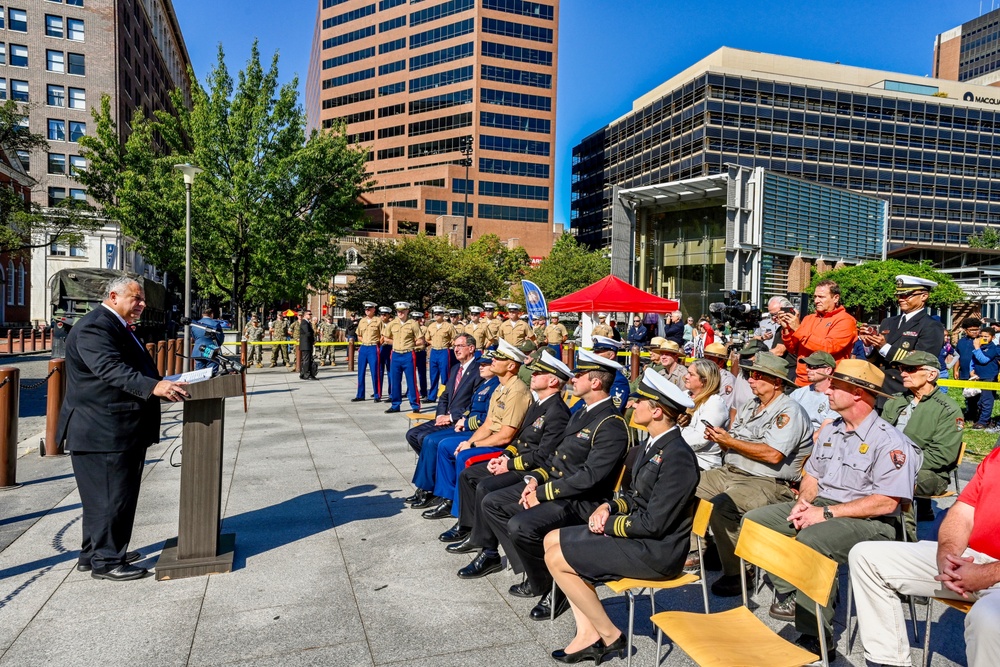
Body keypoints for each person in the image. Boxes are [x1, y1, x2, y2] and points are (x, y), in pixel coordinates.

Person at [745, 358, 921, 661]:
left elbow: (886, 502)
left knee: (813, 541)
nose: (826, 390)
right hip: (825, 507)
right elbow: (812, 473)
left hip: (871, 521)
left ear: (857, 394)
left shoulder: (890, 441)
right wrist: (806, 501)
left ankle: (816, 635)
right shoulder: (832, 429)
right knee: (756, 522)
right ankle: (795, 588)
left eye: (835, 386)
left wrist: (824, 515)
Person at [462, 349, 630, 621]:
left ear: (596, 383)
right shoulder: (582, 413)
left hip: (582, 499)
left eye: (579, 375)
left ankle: (558, 586)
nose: (573, 379)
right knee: (492, 503)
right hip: (558, 485)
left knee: (521, 525)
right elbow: (554, 458)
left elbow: (589, 478)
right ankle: (538, 574)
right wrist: (534, 480)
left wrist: (543, 493)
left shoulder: (610, 423)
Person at [544, 369, 698, 664]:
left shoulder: (677, 456)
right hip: (639, 536)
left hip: (656, 551)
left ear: (656, 412)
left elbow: (655, 523)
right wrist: (609, 508)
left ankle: (610, 636)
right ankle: (589, 634)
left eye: (639, 400)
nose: (631, 403)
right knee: (551, 539)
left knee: (557, 559)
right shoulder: (650, 445)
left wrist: (610, 524)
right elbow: (636, 496)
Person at [57, 276, 189, 581]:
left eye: (142, 299)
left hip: (113, 427)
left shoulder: (113, 324)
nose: (142, 304)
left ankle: (95, 553)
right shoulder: (95, 326)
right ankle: (107, 561)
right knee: (110, 496)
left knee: (103, 497)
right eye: (136, 298)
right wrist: (155, 387)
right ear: (114, 296)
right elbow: (110, 369)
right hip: (102, 430)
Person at [848, 446, 1000, 667]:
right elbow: (962, 512)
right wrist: (946, 555)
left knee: (989, 618)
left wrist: (987, 574)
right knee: (865, 557)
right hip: (970, 559)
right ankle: (890, 662)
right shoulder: (996, 456)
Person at [694, 352, 813, 596]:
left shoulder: (789, 411)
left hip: (767, 481)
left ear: (776, 382)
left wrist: (731, 442)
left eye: (758, 376)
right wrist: (720, 439)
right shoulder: (752, 405)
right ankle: (713, 549)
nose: (750, 380)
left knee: (721, 507)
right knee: (684, 486)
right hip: (731, 470)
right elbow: (735, 441)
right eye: (749, 374)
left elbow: (773, 455)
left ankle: (739, 573)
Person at [440, 351, 572, 543]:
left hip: (530, 469)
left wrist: (508, 465)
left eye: (537, 374)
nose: (532, 376)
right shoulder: (539, 404)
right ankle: (467, 526)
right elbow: (519, 439)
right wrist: (505, 456)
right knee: (468, 475)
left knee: (485, 486)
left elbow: (543, 455)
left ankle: (485, 544)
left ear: (552, 381)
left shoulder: (557, 412)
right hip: (518, 461)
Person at [419, 340, 532, 519]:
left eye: (499, 358)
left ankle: (462, 516)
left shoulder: (516, 391)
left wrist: (472, 446)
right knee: (446, 446)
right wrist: (469, 442)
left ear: (511, 365)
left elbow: (505, 436)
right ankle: (448, 499)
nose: (493, 360)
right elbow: (487, 424)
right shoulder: (501, 387)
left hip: (504, 447)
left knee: (464, 455)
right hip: (492, 438)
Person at [408, 341, 492, 510]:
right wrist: (440, 414)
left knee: (429, 440)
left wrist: (453, 417)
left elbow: (472, 403)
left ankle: (428, 489)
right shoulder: (455, 369)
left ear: (471, 348)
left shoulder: (478, 371)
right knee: (412, 435)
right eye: (455, 345)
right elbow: (445, 396)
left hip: (458, 419)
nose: (456, 349)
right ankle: (433, 475)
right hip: (446, 417)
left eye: (461, 345)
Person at [882, 350, 964, 525]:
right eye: (902, 368)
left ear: (931, 374)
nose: (902, 373)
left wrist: (898, 462)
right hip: (888, 464)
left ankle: (903, 534)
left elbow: (942, 456)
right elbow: (877, 435)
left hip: (930, 473)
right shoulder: (895, 401)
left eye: (910, 369)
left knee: (896, 479)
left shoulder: (948, 409)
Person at [860, 275, 945, 395]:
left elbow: (923, 361)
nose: (901, 299)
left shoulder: (931, 326)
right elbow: (876, 359)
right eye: (899, 295)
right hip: (880, 387)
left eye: (907, 295)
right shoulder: (888, 322)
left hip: (905, 390)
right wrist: (870, 343)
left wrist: (884, 347)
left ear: (924, 296)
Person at [777, 280, 857, 386]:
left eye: (821, 297)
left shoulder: (846, 320)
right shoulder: (809, 318)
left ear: (836, 298)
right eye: (815, 297)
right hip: (801, 381)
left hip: (828, 383)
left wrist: (798, 328)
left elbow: (828, 348)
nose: (816, 300)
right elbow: (793, 349)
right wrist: (786, 329)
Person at [679, 359, 728, 470]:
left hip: (701, 462)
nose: (686, 376)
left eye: (691, 374)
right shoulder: (685, 395)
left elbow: (700, 439)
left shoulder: (714, 403)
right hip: (678, 453)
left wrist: (669, 443)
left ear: (704, 381)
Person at [384, 302, 424, 414]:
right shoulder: (392, 324)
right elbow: (386, 338)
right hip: (396, 354)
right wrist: (396, 342)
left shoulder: (413, 324)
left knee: (411, 381)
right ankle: (395, 404)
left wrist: (412, 344)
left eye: (402, 311)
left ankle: (415, 405)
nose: (400, 313)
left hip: (408, 354)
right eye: (398, 311)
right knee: (395, 381)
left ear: (407, 311)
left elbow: (420, 339)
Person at [788, 350, 836, 435]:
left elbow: (821, 434)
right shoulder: (798, 393)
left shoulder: (835, 397)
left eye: (813, 367)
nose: (807, 369)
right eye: (807, 366)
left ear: (828, 370)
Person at [590, 336, 630, 414]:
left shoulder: (618, 380)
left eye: (599, 352)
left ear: (611, 355)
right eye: (594, 351)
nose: (594, 355)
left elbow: (611, 412)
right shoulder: (595, 374)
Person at [426, 306, 457, 402]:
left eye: (438, 314)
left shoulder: (448, 326)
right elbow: (427, 338)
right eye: (435, 314)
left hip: (444, 351)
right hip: (434, 351)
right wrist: (434, 343)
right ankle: (432, 397)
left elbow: (454, 338)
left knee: (445, 375)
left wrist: (448, 344)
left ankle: (445, 396)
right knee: (433, 375)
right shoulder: (431, 326)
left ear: (443, 315)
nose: (436, 315)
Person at [352, 302, 382, 402]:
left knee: (375, 372)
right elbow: (359, 334)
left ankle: (377, 395)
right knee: (361, 372)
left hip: (373, 347)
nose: (367, 311)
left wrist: (378, 343)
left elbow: (383, 335)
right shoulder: (362, 321)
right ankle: (360, 395)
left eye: (369, 309)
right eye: (366, 309)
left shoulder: (378, 321)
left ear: (374, 309)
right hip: (364, 347)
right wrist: (363, 341)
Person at [971, 326, 999, 429]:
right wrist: (972, 371)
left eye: (986, 336)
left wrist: (977, 348)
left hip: (989, 377)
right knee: (980, 401)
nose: (983, 338)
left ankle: (983, 421)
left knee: (987, 400)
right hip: (979, 376)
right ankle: (983, 419)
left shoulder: (993, 348)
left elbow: (983, 360)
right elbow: (973, 360)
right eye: (981, 336)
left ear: (993, 337)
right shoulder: (980, 347)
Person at [702, 342, 737, 422]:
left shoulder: (727, 380)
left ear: (721, 362)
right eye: (705, 358)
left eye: (710, 359)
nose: (706, 362)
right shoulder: (704, 375)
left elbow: (725, 408)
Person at [956, 317, 982, 424]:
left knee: (979, 396)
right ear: (965, 330)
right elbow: (957, 356)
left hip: (978, 373)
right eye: (972, 330)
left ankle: (979, 416)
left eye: (977, 329)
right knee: (968, 395)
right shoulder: (961, 342)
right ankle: (970, 413)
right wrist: (956, 370)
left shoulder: (982, 341)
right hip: (964, 372)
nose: (975, 332)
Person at [377, 306, 394, 396]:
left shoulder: (392, 325)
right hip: (380, 347)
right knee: (379, 371)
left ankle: (391, 392)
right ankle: (378, 392)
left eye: (384, 315)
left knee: (390, 370)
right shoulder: (377, 324)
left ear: (388, 315)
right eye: (381, 315)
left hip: (389, 347)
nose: (382, 316)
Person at [298, 310, 317, 380]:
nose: (310, 315)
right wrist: (313, 339)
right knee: (306, 360)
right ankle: (306, 374)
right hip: (305, 344)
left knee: (308, 360)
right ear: (305, 315)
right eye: (309, 314)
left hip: (308, 344)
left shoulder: (308, 322)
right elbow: (308, 333)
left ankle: (303, 374)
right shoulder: (304, 323)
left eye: (311, 314)